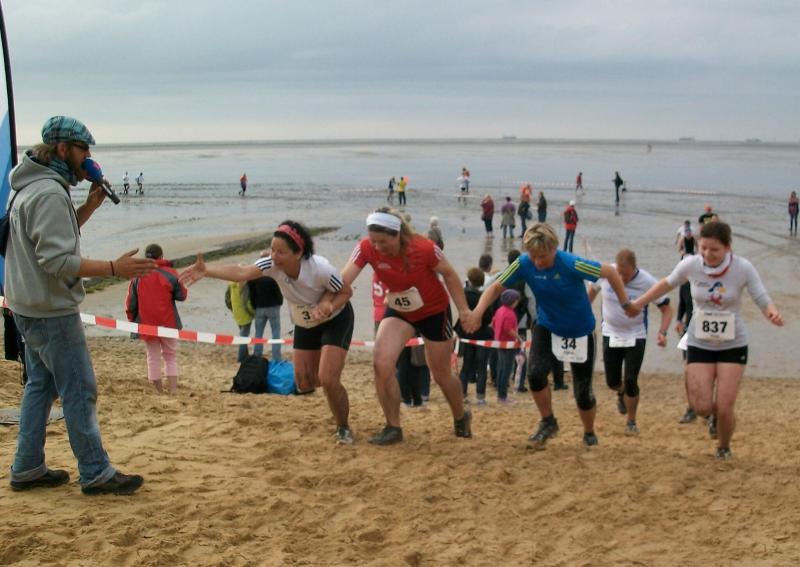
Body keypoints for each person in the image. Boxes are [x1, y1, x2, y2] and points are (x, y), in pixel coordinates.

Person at [5, 115, 154, 494]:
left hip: (25, 304)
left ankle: (27, 466)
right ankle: (95, 471)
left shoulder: (27, 184)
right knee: (79, 389)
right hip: (51, 310)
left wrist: (88, 207)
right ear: (62, 149)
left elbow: (47, 238)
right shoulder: (50, 193)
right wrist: (114, 268)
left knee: (41, 385)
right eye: (83, 149)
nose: (88, 157)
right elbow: (57, 261)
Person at [180, 221, 356, 445]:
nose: (274, 256)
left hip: (335, 319)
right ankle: (331, 387)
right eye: (272, 249)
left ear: (298, 253)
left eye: (281, 252)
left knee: (328, 379)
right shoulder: (270, 264)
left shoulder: (320, 270)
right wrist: (207, 271)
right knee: (304, 382)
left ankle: (343, 427)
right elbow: (241, 272)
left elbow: (346, 292)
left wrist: (329, 305)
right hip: (305, 322)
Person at [464, 223, 636, 450]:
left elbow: (611, 273)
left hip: (580, 330)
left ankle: (589, 431)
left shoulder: (570, 263)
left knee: (582, 392)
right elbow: (496, 287)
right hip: (547, 325)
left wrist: (625, 304)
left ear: (554, 249)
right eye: (533, 256)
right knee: (535, 375)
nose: (537, 262)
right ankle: (548, 422)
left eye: (543, 256)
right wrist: (477, 313)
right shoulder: (523, 263)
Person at [629, 221, 784, 459]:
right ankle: (713, 418)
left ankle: (723, 447)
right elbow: (666, 284)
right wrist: (639, 303)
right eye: (703, 248)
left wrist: (771, 313)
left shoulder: (742, 267)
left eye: (714, 250)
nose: (708, 254)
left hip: (733, 343)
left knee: (725, 406)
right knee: (701, 406)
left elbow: (761, 297)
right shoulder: (690, 264)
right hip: (699, 341)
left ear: (727, 247)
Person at [340, 208, 472, 445]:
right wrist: (323, 301)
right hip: (400, 309)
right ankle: (393, 427)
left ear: (397, 234)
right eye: (374, 241)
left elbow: (450, 274)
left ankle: (461, 416)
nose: (378, 247)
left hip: (434, 312)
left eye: (383, 241)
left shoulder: (424, 248)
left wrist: (464, 310)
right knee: (381, 364)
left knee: (441, 374)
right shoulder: (366, 247)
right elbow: (343, 280)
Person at [588, 249, 672, 434]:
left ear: (635, 268)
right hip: (611, 333)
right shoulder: (606, 274)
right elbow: (591, 294)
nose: (621, 279)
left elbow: (666, 308)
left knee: (631, 379)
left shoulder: (647, 281)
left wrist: (662, 332)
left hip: (636, 334)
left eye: (625, 275)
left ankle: (631, 421)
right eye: (619, 274)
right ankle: (621, 392)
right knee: (612, 382)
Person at [125, 244, 188, 394]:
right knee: (170, 355)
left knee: (153, 357)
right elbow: (182, 295)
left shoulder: (137, 277)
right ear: (161, 257)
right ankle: (173, 389)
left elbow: (131, 302)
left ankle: (158, 391)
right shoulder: (170, 273)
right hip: (168, 322)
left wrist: (132, 319)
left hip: (147, 323)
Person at [455, 268, 492, 404]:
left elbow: (460, 314)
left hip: (467, 334)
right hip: (482, 335)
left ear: (469, 280)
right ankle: (480, 397)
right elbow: (488, 317)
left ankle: (462, 395)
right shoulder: (484, 297)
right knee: (481, 368)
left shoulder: (462, 295)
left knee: (466, 366)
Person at [492, 289, 521, 404]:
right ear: (513, 301)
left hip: (499, 342)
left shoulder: (500, 310)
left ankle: (500, 393)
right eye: (517, 300)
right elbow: (509, 330)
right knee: (506, 369)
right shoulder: (510, 313)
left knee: (501, 367)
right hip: (508, 344)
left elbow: (493, 323)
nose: (517, 302)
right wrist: (519, 338)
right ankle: (502, 396)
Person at [248, 274, 283, 361]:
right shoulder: (271, 277)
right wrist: (280, 302)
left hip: (259, 308)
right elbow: (277, 292)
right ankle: (276, 357)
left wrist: (254, 306)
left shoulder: (252, 278)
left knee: (258, 333)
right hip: (273, 307)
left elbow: (251, 295)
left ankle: (257, 355)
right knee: (275, 332)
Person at [227, 281, 255, 363]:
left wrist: (232, 309)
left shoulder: (231, 285)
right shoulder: (244, 286)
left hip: (236, 313)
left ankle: (245, 355)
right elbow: (247, 303)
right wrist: (253, 313)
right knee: (243, 337)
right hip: (245, 315)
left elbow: (227, 299)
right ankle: (241, 357)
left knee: (243, 335)